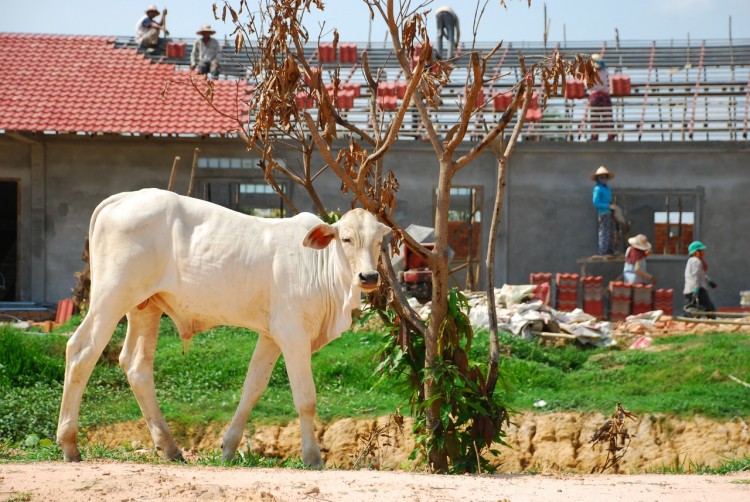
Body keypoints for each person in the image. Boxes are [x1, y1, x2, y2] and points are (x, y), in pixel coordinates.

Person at [683, 241, 717, 317]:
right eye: (701, 250)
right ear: (696, 252)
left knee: (690, 307)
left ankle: (687, 321)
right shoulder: (696, 261)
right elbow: (695, 276)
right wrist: (695, 289)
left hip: (690, 289)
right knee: (709, 308)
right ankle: (712, 322)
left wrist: (708, 280)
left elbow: (700, 274)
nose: (703, 252)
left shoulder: (693, 261)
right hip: (697, 289)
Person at [588, 54, 615, 141]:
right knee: (608, 117)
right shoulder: (606, 72)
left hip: (595, 96)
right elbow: (609, 86)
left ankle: (595, 136)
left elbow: (589, 86)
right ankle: (610, 135)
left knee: (595, 117)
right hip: (605, 96)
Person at [591, 166, 616, 256]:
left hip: (610, 213)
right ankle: (603, 251)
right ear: (598, 178)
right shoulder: (597, 189)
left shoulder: (607, 189)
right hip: (603, 213)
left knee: (611, 232)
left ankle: (610, 251)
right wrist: (608, 206)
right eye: (602, 177)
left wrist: (612, 206)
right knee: (604, 232)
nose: (604, 179)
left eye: (605, 177)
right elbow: (595, 202)